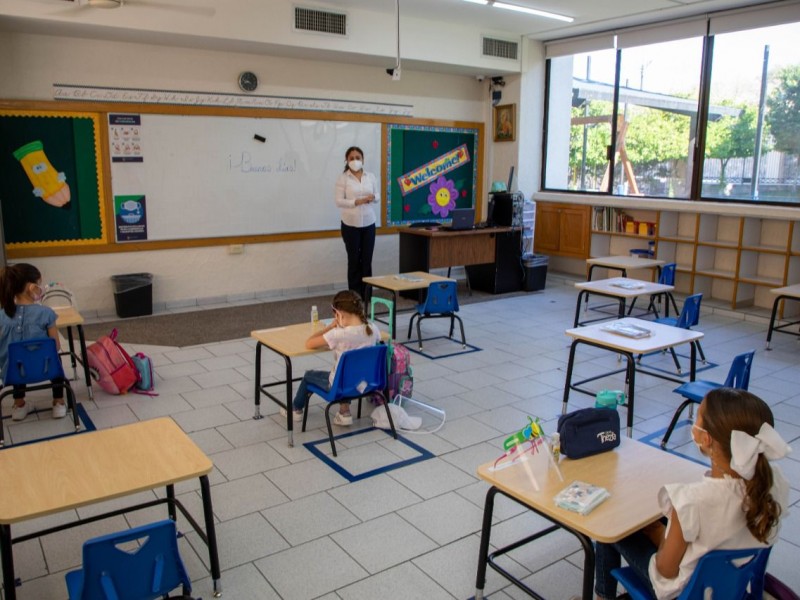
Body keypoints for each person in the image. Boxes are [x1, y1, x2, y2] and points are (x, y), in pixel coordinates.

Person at [593, 387, 791, 600]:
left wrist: (656, 532)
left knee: (610, 528)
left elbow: (666, 571)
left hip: (685, 593)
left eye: (698, 417)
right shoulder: (774, 483)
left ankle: (603, 595)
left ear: (706, 439)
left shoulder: (692, 500)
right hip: (734, 585)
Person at [282, 290, 381, 426]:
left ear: (339, 313)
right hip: (365, 384)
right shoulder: (373, 329)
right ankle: (344, 412)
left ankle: (295, 409)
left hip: (339, 386)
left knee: (309, 376)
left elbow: (309, 343)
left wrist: (330, 327)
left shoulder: (337, 334)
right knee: (348, 373)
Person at [0, 263, 67, 420]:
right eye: (39, 284)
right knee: (55, 359)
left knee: (16, 359)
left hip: (12, 373)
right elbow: (56, 346)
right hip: (45, 368)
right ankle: (58, 403)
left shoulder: (2, 315)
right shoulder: (46, 313)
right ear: (32, 287)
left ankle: (19, 405)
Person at [335, 146, 379, 300]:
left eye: (358, 157)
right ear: (347, 161)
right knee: (354, 261)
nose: (355, 160)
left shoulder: (370, 176)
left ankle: (367, 296)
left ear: (363, 160)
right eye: (351, 158)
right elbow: (338, 201)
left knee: (367, 260)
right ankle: (354, 297)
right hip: (350, 225)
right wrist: (356, 202)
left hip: (369, 223)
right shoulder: (343, 178)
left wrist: (373, 197)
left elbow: (378, 195)